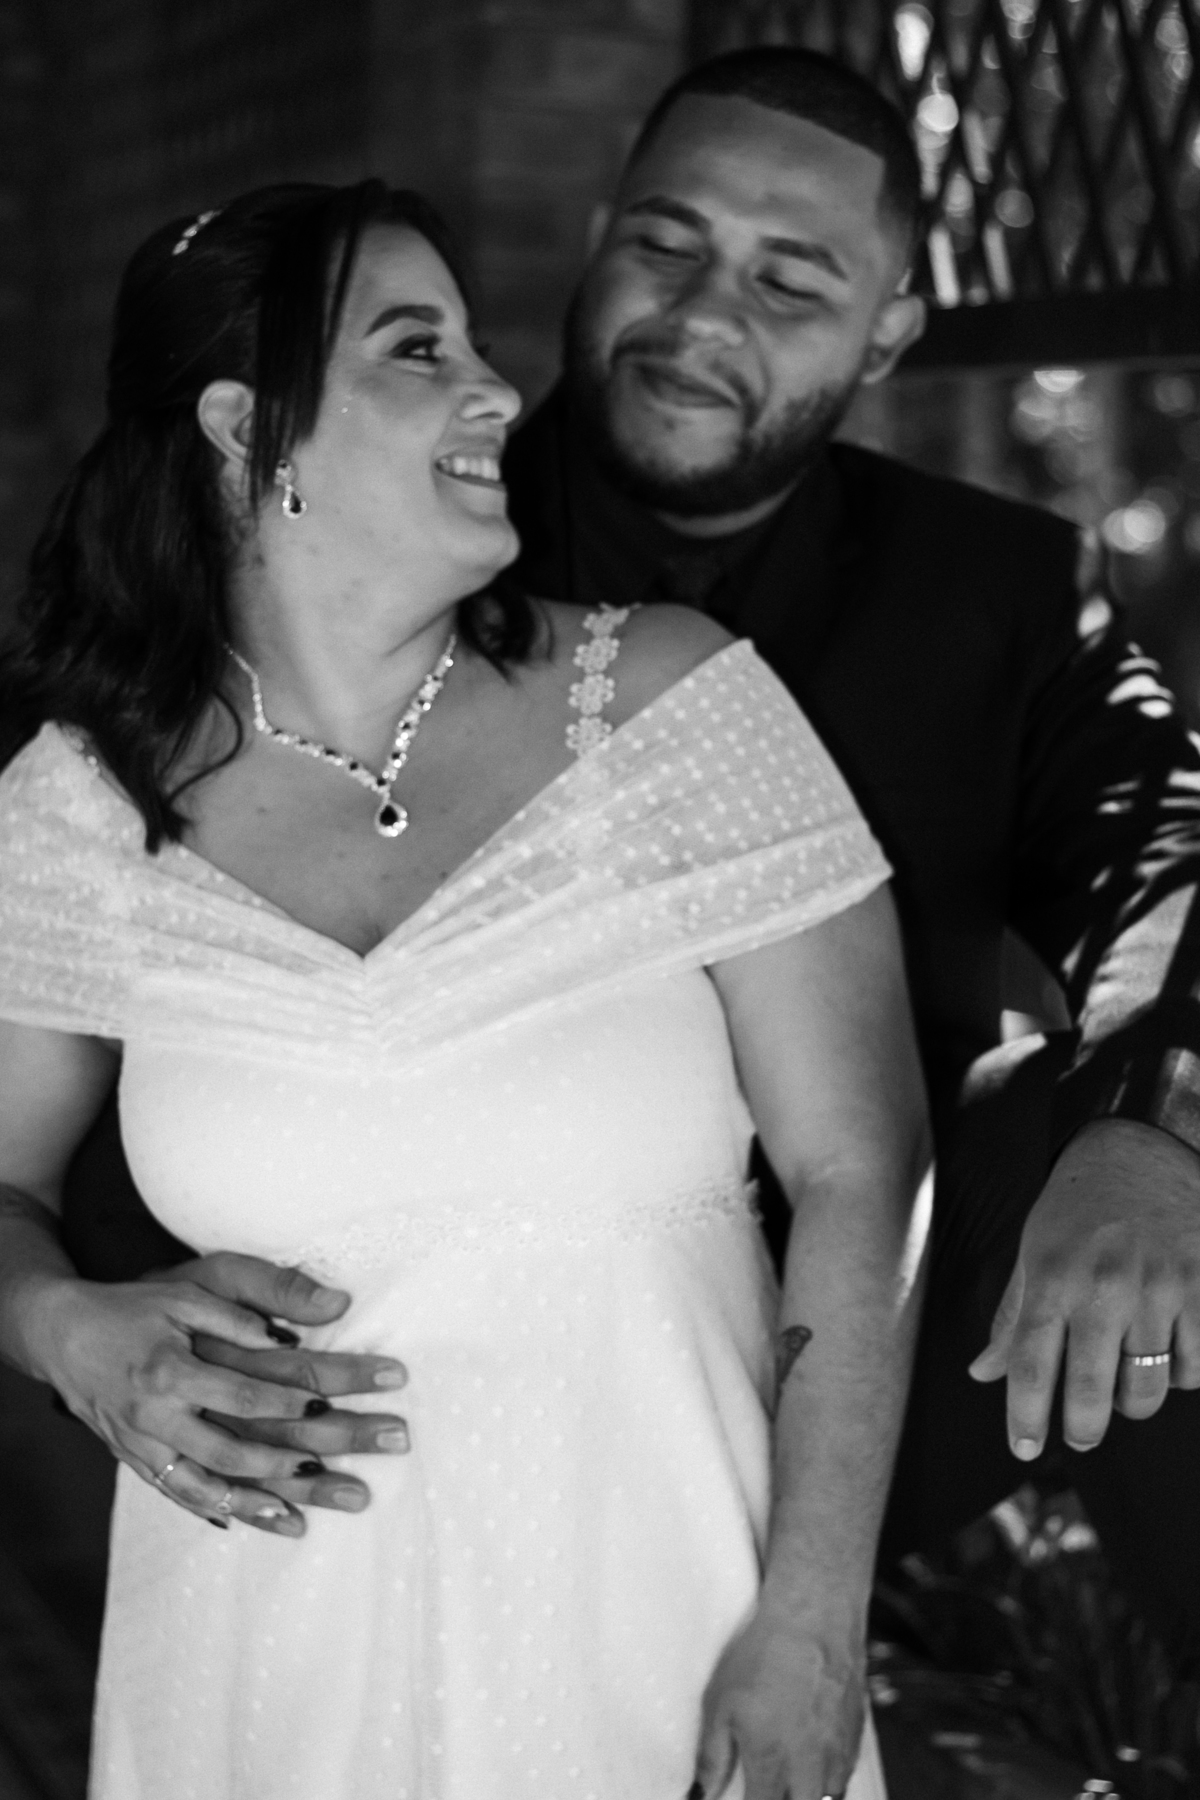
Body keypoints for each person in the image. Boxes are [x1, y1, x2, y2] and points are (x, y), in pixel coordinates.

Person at [0, 179, 930, 1800]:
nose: (497, 390)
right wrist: (60, 1324)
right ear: (246, 428)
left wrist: (812, 1623)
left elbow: (867, 1169)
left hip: (672, 1633)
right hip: (261, 1668)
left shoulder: (668, 701)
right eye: (416, 348)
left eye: (475, 343)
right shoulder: (82, 806)